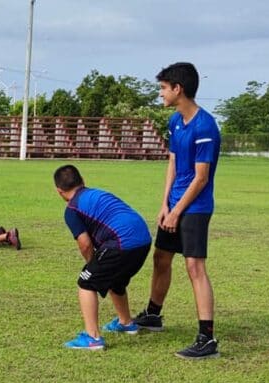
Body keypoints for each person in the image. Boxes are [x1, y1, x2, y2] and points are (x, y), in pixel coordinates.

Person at [132, 62, 222, 360]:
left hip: (195, 207)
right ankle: (153, 315)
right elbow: (172, 163)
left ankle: (206, 339)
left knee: (195, 267)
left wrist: (177, 210)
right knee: (161, 258)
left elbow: (201, 177)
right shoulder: (175, 121)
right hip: (174, 205)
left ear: (177, 89)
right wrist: (164, 204)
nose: (161, 94)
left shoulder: (205, 126)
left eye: (163, 88)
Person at [54, 165, 152, 350]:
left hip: (122, 243)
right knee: (116, 281)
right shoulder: (97, 193)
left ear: (59, 191)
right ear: (82, 180)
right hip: (144, 240)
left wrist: (92, 267)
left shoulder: (72, 209)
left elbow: (85, 244)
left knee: (86, 283)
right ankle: (126, 323)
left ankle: (92, 338)